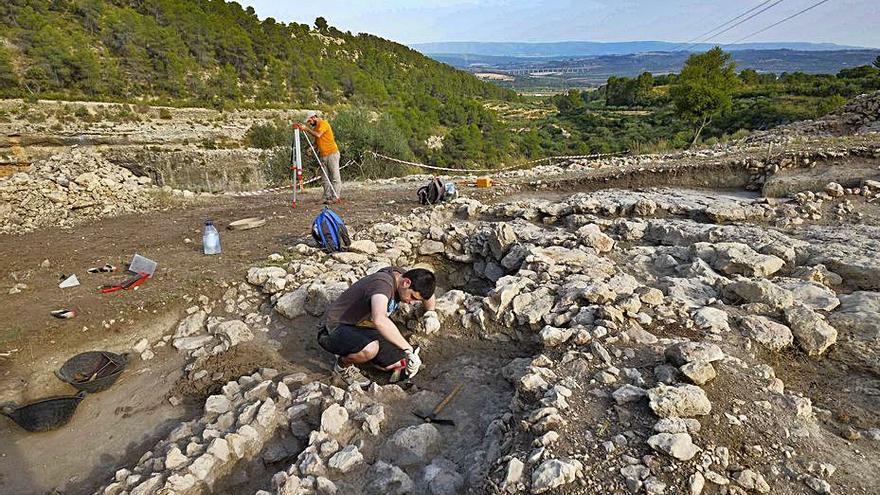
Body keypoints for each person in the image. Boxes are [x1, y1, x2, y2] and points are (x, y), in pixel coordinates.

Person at [317, 267, 438, 387]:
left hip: (363, 325)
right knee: (370, 350)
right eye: (412, 297)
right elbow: (379, 319)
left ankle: (364, 358)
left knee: (399, 363)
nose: (412, 303)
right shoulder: (382, 286)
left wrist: (431, 313)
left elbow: (428, 294)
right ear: (406, 283)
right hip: (334, 328)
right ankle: (342, 367)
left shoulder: (403, 277)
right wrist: (408, 349)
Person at [295, 111, 342, 204]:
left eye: (309, 121)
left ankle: (335, 197)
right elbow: (317, 142)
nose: (309, 123)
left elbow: (318, 134)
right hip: (323, 155)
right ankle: (326, 196)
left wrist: (306, 129)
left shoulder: (323, 124)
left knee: (335, 176)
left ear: (313, 117)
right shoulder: (316, 127)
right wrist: (311, 148)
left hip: (332, 154)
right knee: (324, 177)